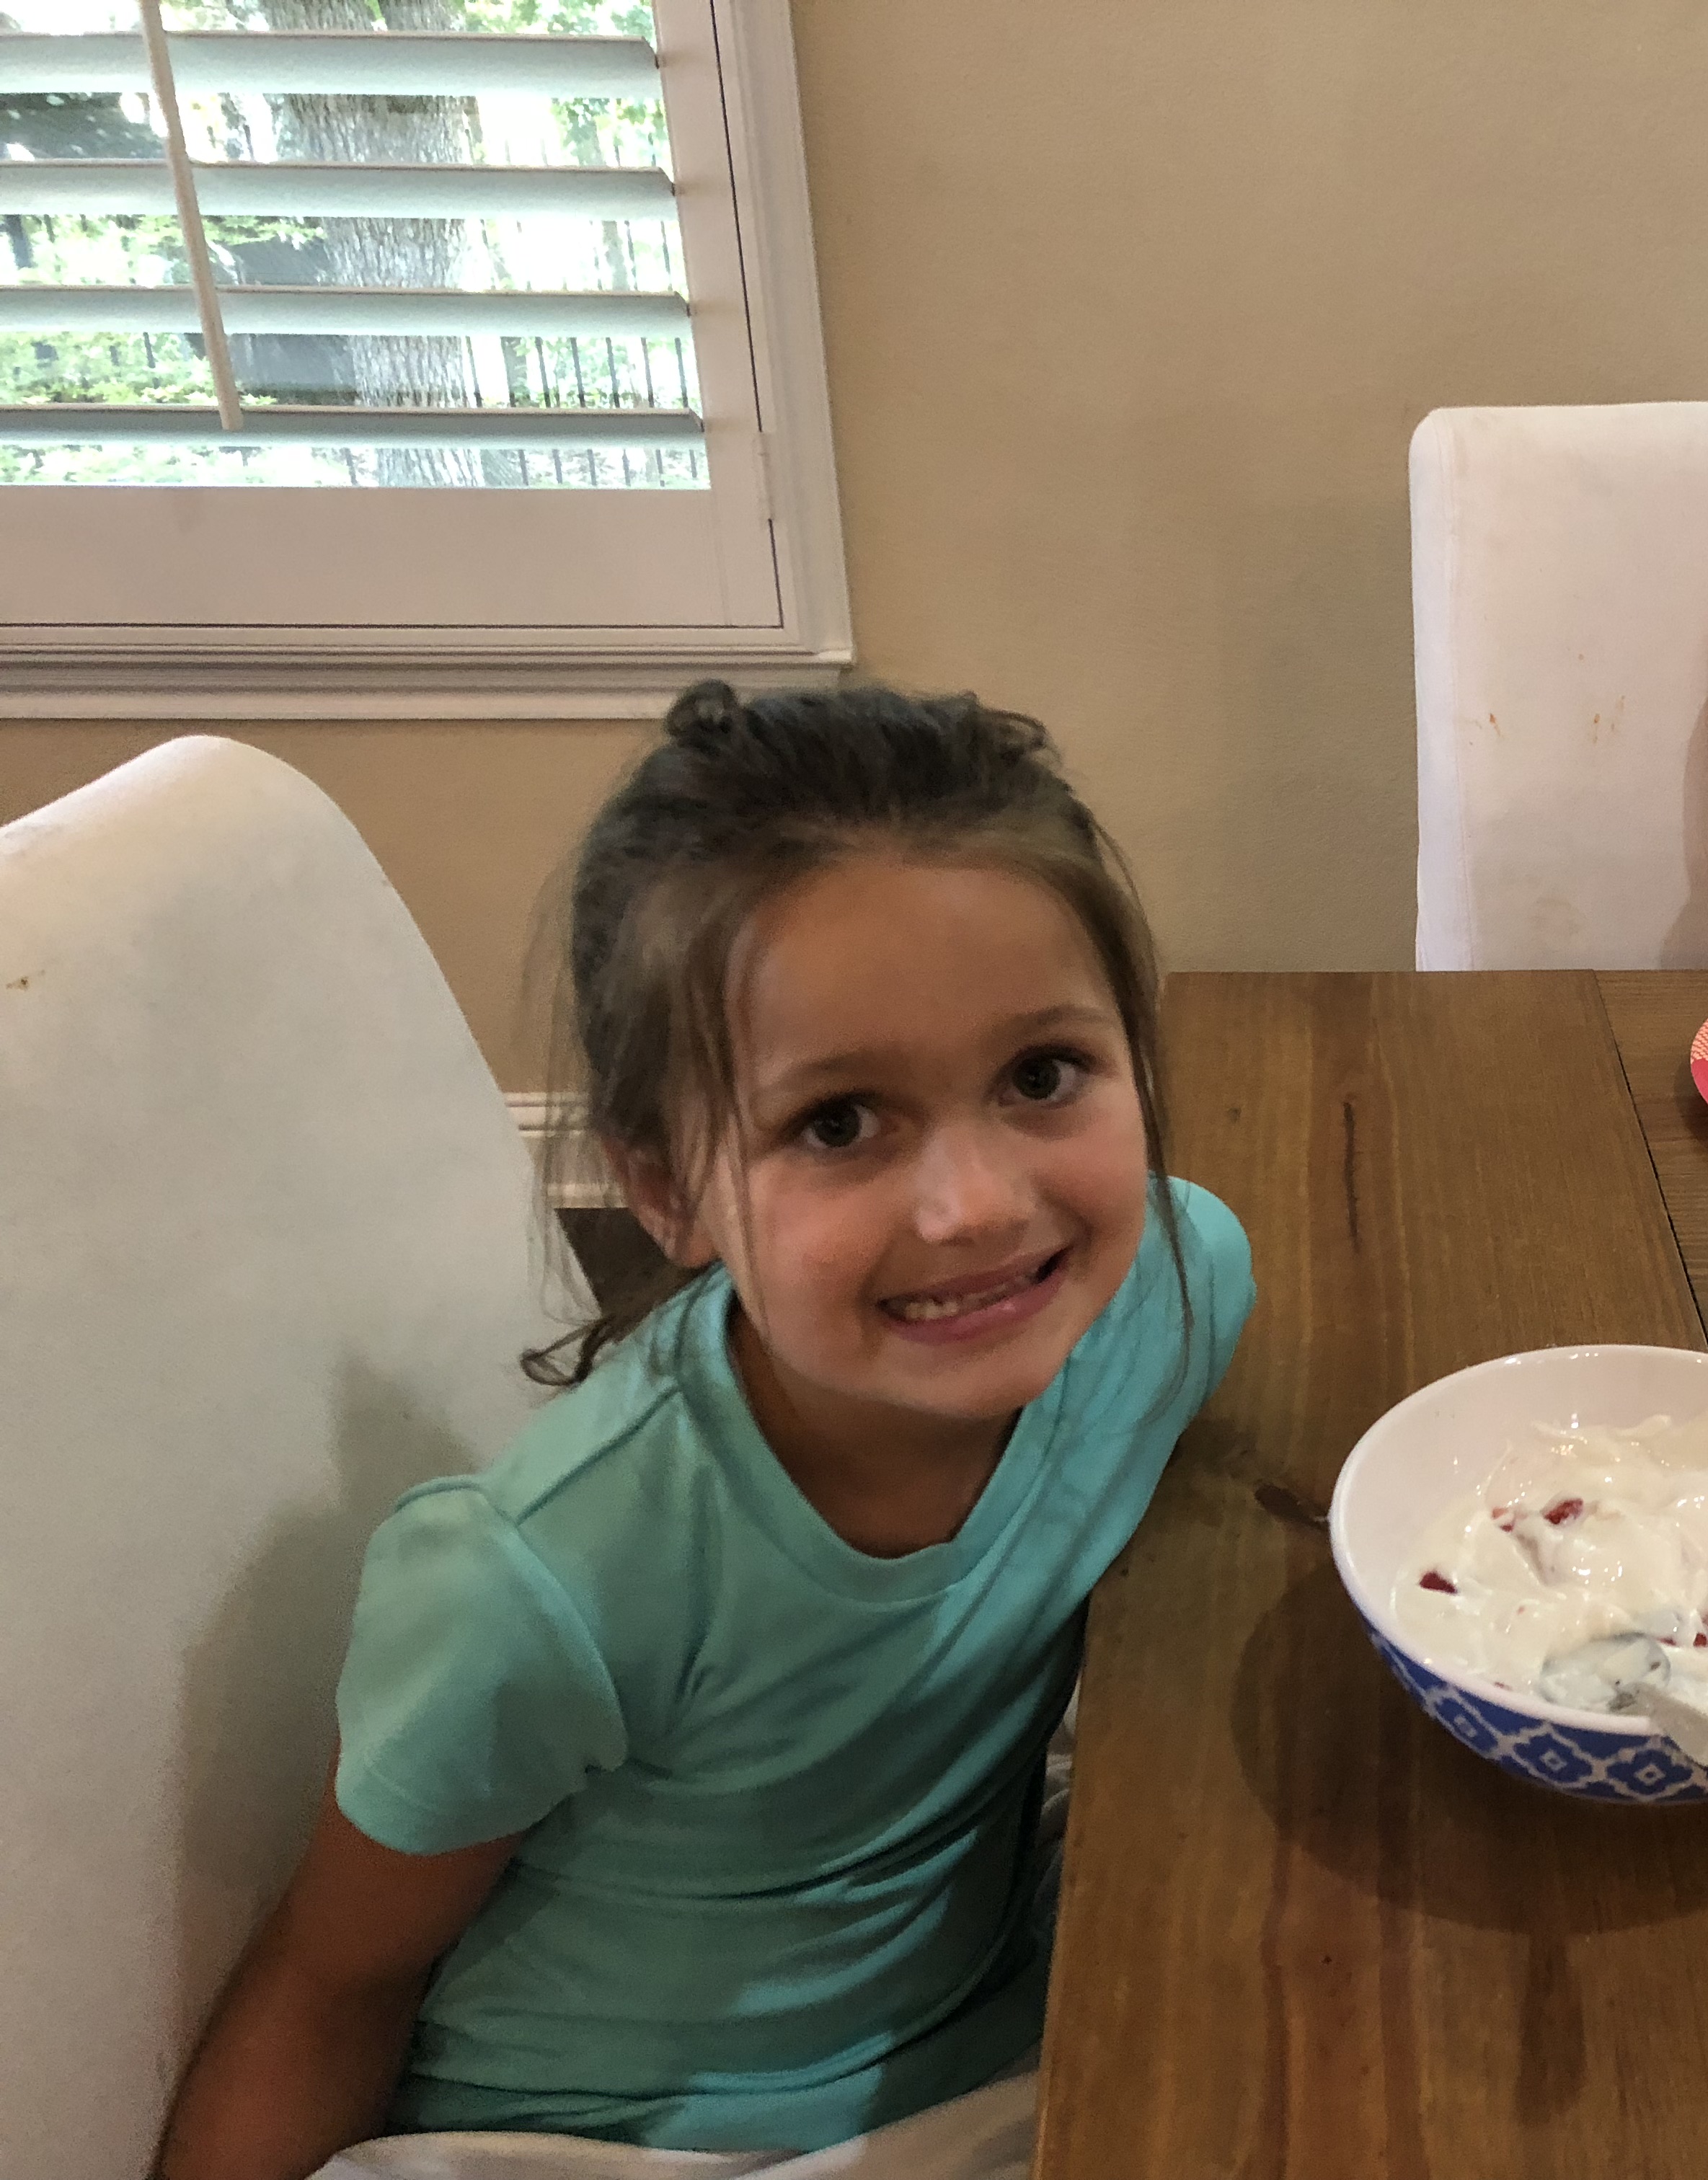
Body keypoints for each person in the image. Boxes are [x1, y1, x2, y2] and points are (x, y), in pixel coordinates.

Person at [155, 683, 1256, 2180]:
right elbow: (327, 1980)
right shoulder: (540, 1584)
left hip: (1005, 2023)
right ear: (664, 1192)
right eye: (838, 1123)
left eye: (1041, 1076)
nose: (979, 1206)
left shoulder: (1175, 1296)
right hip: (599, 2140)